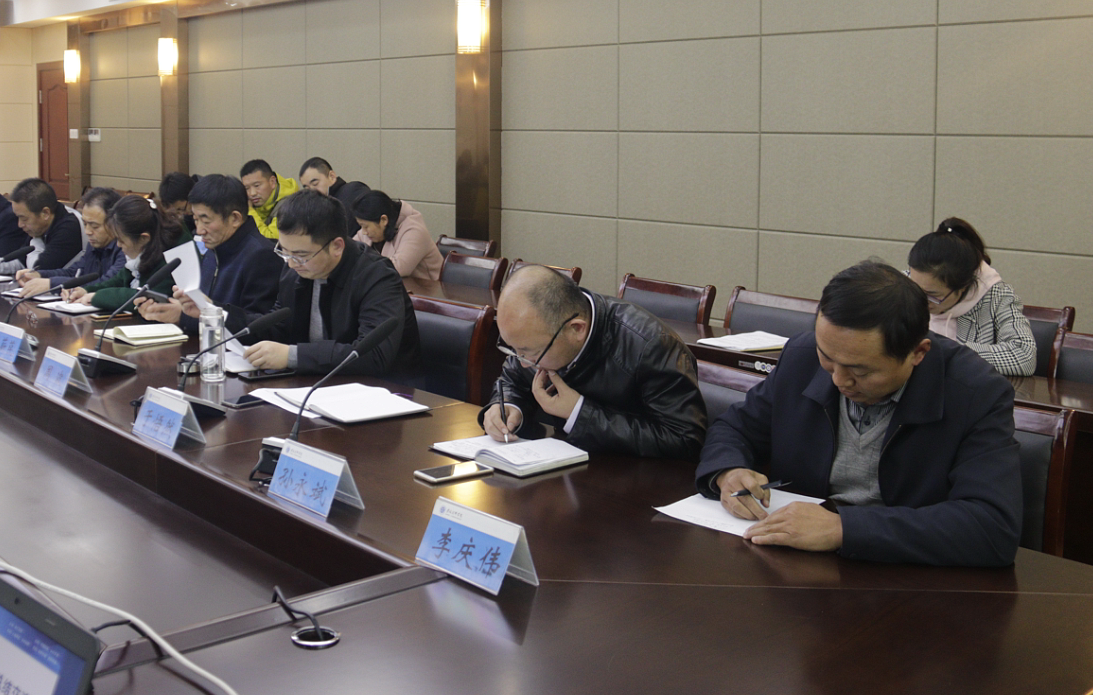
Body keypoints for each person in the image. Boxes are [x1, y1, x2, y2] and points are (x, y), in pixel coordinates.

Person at [695, 260, 1022, 568]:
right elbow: (735, 427)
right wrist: (728, 470)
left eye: (860, 371)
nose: (838, 380)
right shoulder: (802, 358)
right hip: (796, 564)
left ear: (918, 353)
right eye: (827, 358)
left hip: (905, 577)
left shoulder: (975, 393)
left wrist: (843, 529)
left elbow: (991, 526)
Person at [480, 265, 706, 458]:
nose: (524, 362)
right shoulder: (537, 338)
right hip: (560, 467)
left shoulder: (651, 346)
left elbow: (684, 439)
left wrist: (579, 412)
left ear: (577, 329)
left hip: (634, 481)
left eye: (529, 353)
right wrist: (507, 405)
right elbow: (513, 379)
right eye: (513, 349)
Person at [227, 189, 419, 379]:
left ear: (337, 246)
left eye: (301, 255)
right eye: (284, 251)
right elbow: (280, 328)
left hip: (385, 389)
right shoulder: (296, 269)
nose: (291, 264)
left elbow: (374, 356)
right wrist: (221, 316)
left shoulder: (377, 276)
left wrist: (292, 356)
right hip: (315, 382)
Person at [136, 174, 283, 333]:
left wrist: (184, 318)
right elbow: (205, 307)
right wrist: (178, 309)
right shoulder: (215, 248)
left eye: (206, 221)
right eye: (195, 219)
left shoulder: (262, 256)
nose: (200, 230)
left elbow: (257, 328)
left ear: (234, 218)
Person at [907, 217, 1037, 377]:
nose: (920, 300)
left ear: (963, 287)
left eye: (932, 295)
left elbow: (1024, 356)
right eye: (915, 288)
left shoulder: (996, 296)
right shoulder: (899, 286)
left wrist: (946, 351)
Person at [66, 195, 180, 311]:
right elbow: (118, 280)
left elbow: (145, 296)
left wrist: (97, 297)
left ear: (143, 238)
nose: (118, 245)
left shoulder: (172, 259)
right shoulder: (144, 252)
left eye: (121, 240)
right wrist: (87, 291)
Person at [15, 187, 125, 297]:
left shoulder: (125, 249)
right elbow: (74, 272)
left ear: (114, 223)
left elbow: (105, 284)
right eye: (85, 224)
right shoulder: (95, 244)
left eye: (95, 226)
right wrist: (39, 275)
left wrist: (51, 284)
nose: (87, 231)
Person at [0, 178, 86, 276]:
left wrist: (36, 241)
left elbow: (37, 270)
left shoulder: (69, 228)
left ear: (45, 213)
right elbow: (22, 261)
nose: (20, 224)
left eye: (24, 219)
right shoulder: (40, 226)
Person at [351, 189, 443, 281]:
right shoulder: (373, 226)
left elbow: (399, 268)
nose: (364, 232)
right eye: (361, 226)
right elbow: (350, 253)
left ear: (383, 220)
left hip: (428, 288)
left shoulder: (415, 230)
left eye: (365, 226)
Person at [298, 156, 369, 238]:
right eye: (307, 188)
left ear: (331, 176)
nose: (312, 191)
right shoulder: (316, 207)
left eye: (315, 184)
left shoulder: (353, 191)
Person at [240, 158, 299, 240]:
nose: (252, 193)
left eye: (257, 185)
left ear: (272, 182)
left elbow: (270, 240)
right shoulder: (252, 202)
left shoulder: (290, 205)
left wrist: (250, 211)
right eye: (247, 188)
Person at [158, 171, 199, 238]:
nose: (181, 214)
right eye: (177, 212)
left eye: (182, 209)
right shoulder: (187, 214)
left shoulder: (210, 202)